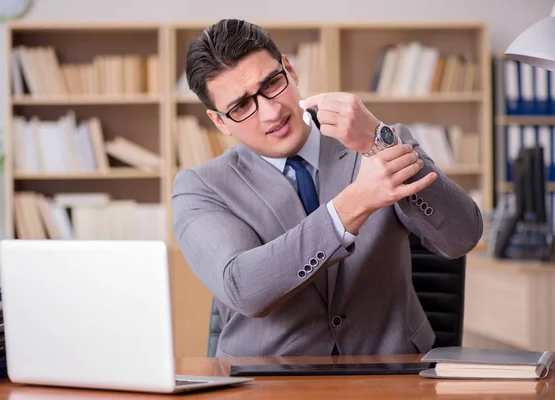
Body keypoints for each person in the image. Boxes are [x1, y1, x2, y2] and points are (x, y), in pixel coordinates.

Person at [172, 19, 483, 357]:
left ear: (290, 70)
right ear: (219, 121)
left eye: (273, 83)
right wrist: (352, 205)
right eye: (242, 106)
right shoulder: (201, 187)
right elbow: (244, 289)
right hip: (265, 381)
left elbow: (462, 235)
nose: (271, 112)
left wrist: (378, 141)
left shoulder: (376, 140)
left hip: (390, 371)